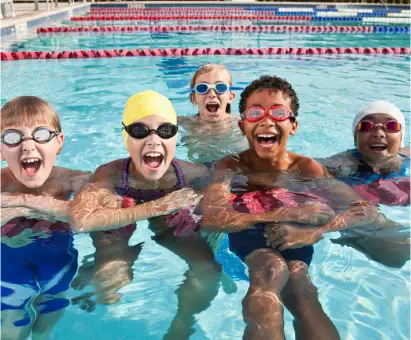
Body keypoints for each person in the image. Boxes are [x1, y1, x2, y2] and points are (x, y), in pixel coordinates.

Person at [200, 76, 382, 340]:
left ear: (293, 125)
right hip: (246, 231)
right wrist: (286, 213)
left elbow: (364, 210)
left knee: (300, 287)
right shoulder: (229, 166)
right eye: (254, 112)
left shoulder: (307, 168)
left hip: (297, 235)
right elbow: (210, 217)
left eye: (278, 112)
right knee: (270, 268)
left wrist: (316, 231)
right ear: (242, 125)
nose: (266, 120)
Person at [69, 91, 225, 339]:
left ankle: (183, 323)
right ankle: (95, 268)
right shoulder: (109, 174)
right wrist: (155, 208)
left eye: (164, 130)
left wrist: (199, 209)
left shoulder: (192, 174)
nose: (153, 140)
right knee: (108, 284)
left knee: (208, 271)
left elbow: (227, 194)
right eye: (140, 130)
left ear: (175, 137)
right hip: (122, 214)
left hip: (169, 219)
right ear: (126, 137)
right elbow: (80, 220)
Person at [1, 96, 91, 340]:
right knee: (11, 324)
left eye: (40, 135)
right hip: (7, 264)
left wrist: (24, 202)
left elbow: (97, 212)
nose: (28, 146)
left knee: (48, 320)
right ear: (1, 150)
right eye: (12, 137)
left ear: (59, 142)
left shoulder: (73, 179)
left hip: (58, 261)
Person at [320, 100, 410, 268]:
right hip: (358, 209)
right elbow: (305, 169)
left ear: (401, 137)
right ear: (356, 138)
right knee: (397, 254)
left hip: (387, 192)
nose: (378, 133)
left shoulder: (405, 156)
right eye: (366, 126)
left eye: (391, 125)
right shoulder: (341, 164)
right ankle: (354, 238)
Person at [178, 63, 248, 164]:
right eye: (202, 88)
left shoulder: (243, 124)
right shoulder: (182, 123)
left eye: (220, 87)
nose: (212, 94)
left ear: (230, 97)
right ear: (193, 98)